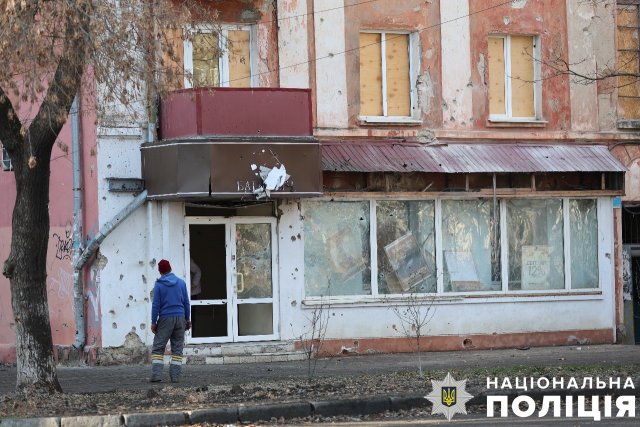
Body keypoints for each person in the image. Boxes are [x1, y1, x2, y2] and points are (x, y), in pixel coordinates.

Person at [150, 259, 191, 383]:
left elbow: (156, 305)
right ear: (170, 269)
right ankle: (175, 377)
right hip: (180, 318)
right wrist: (187, 319)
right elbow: (186, 303)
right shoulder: (181, 283)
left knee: (158, 347)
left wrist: (153, 322)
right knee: (177, 348)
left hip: (165, 319)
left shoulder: (159, 285)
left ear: (160, 271)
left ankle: (157, 375)